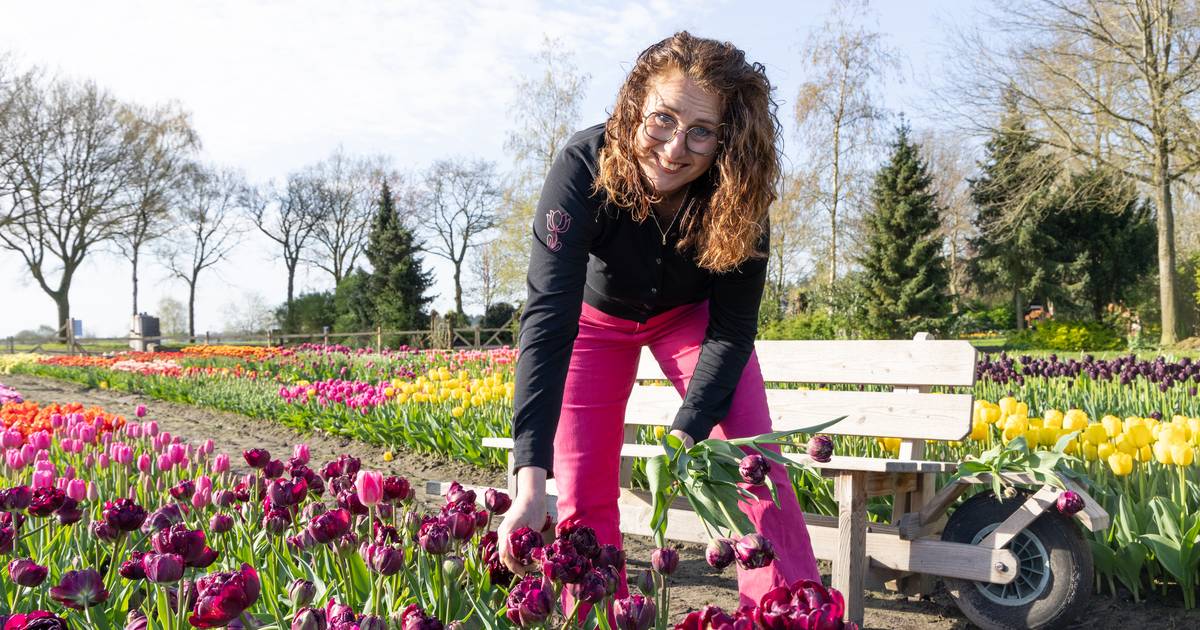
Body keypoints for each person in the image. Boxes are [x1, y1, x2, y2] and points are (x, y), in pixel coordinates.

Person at [496, 31, 820, 605]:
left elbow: (732, 331)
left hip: (690, 320)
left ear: (729, 138)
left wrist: (686, 434)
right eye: (662, 121)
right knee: (583, 491)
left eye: (701, 131)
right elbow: (547, 322)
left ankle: (787, 612)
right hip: (593, 324)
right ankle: (602, 613)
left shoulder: (739, 195)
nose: (674, 150)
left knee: (754, 468)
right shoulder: (582, 168)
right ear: (632, 110)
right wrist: (528, 481)